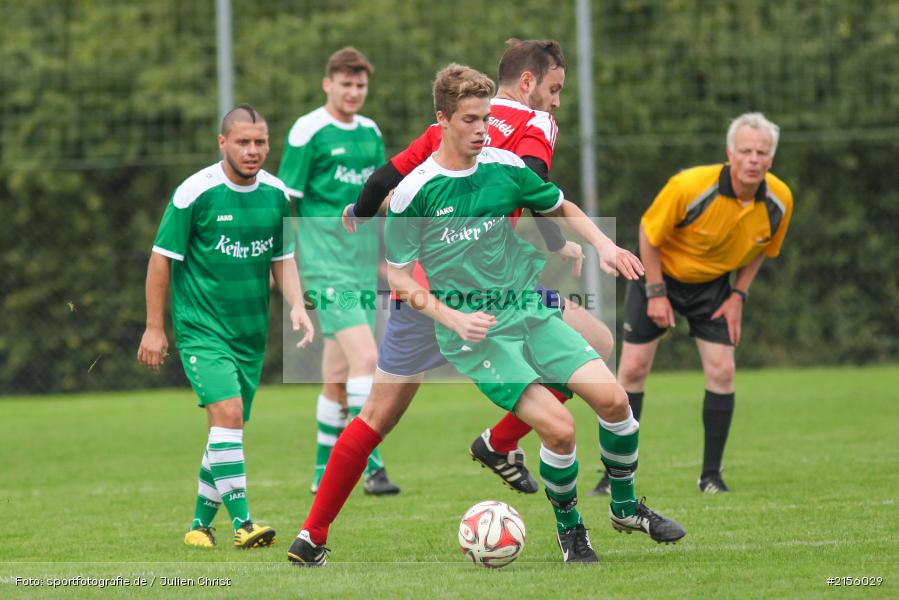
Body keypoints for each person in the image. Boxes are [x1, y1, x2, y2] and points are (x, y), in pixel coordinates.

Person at [287, 65, 685, 567]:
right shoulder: (421, 186)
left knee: (601, 358)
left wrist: (598, 246)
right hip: (437, 312)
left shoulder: (503, 163)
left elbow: (548, 205)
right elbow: (394, 246)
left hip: (510, 305)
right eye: (472, 120)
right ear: (443, 120)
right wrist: (448, 314)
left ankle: (510, 447)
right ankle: (312, 533)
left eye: (486, 119)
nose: (483, 129)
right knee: (377, 417)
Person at [343, 39, 614, 495]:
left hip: (432, 289)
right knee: (597, 343)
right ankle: (500, 441)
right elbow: (536, 190)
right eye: (554, 88)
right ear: (527, 82)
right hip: (472, 292)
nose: (556, 101)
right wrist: (556, 239)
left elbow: (382, 180)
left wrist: (360, 212)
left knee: (376, 418)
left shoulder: (448, 124)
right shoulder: (537, 123)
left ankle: (313, 533)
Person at [137, 104, 314, 548]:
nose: (253, 151)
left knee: (226, 428)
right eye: (243, 142)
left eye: (260, 142)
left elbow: (283, 259)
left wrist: (296, 305)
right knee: (229, 416)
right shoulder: (194, 193)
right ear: (223, 143)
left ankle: (199, 527)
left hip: (249, 332)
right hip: (201, 329)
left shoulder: (276, 194)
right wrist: (154, 328)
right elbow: (161, 259)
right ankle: (243, 524)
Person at [596, 112, 793, 495]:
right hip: (657, 273)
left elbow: (762, 249)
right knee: (633, 369)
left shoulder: (779, 199)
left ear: (771, 159)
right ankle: (613, 476)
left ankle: (711, 477)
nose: (753, 159)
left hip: (714, 286)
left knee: (722, 372)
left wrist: (739, 295)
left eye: (762, 153)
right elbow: (648, 236)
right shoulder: (689, 186)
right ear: (729, 154)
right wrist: (655, 292)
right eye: (746, 151)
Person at [278, 47, 399, 496]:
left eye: (360, 85)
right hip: (323, 264)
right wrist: (287, 262)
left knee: (338, 374)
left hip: (360, 264)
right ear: (328, 83)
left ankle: (319, 475)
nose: (353, 92)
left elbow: (381, 195)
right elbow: (285, 198)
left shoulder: (370, 132)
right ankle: (372, 465)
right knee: (368, 360)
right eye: (345, 84)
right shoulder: (308, 130)